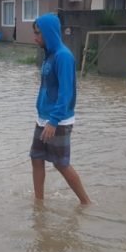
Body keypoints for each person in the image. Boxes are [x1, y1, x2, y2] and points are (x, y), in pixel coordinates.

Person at [30, 13, 91, 206]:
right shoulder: (49, 55)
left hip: (58, 120)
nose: (35, 37)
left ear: (49, 33)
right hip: (43, 118)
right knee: (36, 158)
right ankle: (39, 202)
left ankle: (86, 202)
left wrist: (54, 120)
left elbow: (66, 92)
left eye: (38, 33)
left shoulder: (63, 56)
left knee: (60, 163)